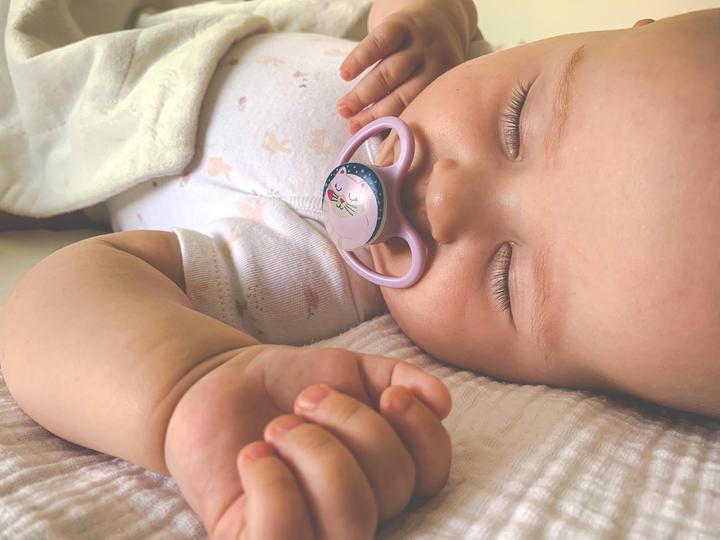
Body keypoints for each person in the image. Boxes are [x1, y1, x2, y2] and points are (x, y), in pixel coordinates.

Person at [1, 2, 719, 540]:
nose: (444, 198)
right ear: (633, 28)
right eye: (515, 120)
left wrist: (190, 381)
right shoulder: (441, 64)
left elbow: (56, 301)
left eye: (505, 279)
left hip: (67, 97)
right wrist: (428, 18)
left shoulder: (311, 277)